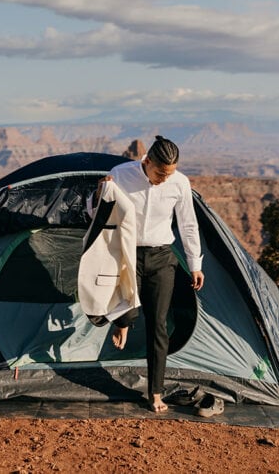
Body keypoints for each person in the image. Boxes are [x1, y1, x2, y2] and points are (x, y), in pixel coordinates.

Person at [89, 135, 204, 412]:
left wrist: (194, 264)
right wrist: (99, 193)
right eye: (160, 173)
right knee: (127, 307)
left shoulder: (179, 183)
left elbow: (188, 225)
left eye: (170, 173)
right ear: (147, 161)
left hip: (162, 257)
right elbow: (98, 214)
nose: (164, 179)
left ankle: (155, 392)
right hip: (127, 254)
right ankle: (124, 321)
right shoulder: (121, 175)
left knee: (158, 324)